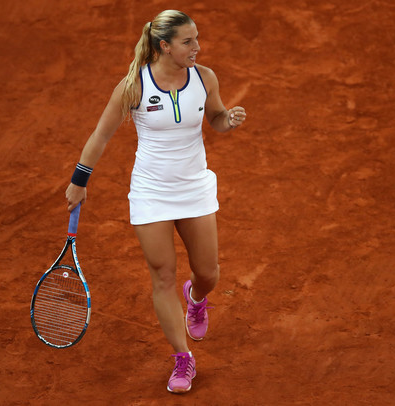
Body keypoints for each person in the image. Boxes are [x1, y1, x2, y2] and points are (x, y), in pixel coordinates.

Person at [65, 10, 246, 393]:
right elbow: (100, 136)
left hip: (194, 188)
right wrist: (79, 181)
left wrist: (226, 120)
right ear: (164, 46)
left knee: (209, 272)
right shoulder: (133, 87)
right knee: (162, 276)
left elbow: (213, 116)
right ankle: (183, 358)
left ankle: (195, 298)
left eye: (197, 39)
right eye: (188, 41)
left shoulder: (204, 78)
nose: (197, 47)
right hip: (151, 193)